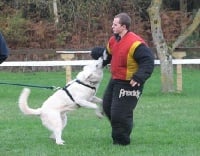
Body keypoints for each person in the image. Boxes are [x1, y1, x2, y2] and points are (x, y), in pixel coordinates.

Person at [91, 13, 154, 146]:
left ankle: (121, 142)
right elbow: (108, 54)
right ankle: (124, 127)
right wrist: (98, 54)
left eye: (115, 24)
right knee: (107, 107)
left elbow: (148, 61)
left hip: (130, 83)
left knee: (119, 114)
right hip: (115, 80)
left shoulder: (135, 43)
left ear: (123, 26)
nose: (112, 26)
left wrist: (139, 77)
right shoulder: (114, 40)